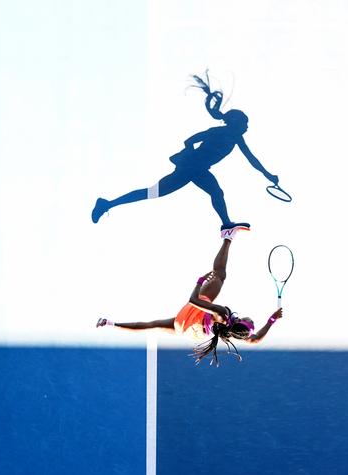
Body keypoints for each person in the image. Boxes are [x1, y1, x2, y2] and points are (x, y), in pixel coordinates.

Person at [91, 72, 279, 234]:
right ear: (236, 123)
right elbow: (189, 140)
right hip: (192, 168)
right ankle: (107, 204)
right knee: (158, 193)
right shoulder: (219, 132)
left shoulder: (236, 139)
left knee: (204, 192)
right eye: (245, 123)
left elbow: (252, 160)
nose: (247, 127)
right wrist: (190, 158)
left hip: (196, 169)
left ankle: (226, 224)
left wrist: (268, 175)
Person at [96, 229, 283, 365]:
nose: (252, 321)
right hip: (186, 329)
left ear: (242, 321)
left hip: (194, 314)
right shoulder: (235, 334)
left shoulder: (223, 314)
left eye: (250, 321)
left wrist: (200, 281)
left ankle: (228, 236)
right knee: (150, 325)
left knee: (219, 274)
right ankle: (111, 324)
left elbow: (194, 301)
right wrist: (272, 319)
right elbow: (256, 339)